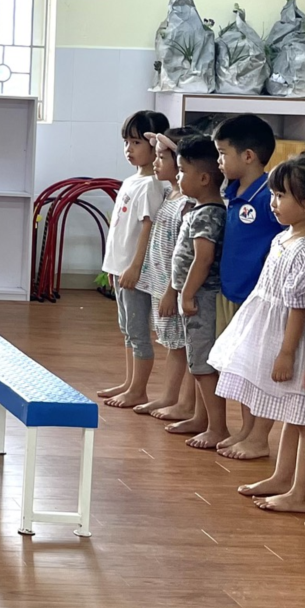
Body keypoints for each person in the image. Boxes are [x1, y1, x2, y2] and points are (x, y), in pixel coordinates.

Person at [210, 156, 305, 510]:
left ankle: (302, 494)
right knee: (292, 416)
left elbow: (299, 308)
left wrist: (287, 353)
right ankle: (282, 478)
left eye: (281, 196)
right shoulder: (283, 238)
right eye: (274, 195)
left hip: (292, 342)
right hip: (270, 331)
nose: (273, 203)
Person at [213, 113, 287, 461]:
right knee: (241, 367)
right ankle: (246, 429)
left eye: (222, 153)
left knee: (259, 370)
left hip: (260, 299)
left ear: (248, 156)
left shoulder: (269, 195)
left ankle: (260, 438)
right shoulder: (232, 189)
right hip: (232, 291)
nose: (218, 161)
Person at [95, 109, 167, 406]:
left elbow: (148, 228)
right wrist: (112, 267)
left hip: (133, 271)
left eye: (136, 142)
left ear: (155, 145)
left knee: (138, 332)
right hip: (120, 268)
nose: (129, 148)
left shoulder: (152, 185)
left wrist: (136, 267)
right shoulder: (131, 181)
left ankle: (139, 390)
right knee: (127, 329)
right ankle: (129, 382)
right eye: (126, 142)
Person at [163, 136, 228, 449]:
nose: (178, 177)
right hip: (196, 296)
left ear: (204, 178)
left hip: (202, 297)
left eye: (182, 171)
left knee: (203, 365)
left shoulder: (208, 214)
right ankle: (202, 420)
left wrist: (187, 293)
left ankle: (218, 427)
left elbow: (203, 258)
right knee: (198, 363)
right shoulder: (198, 210)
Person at [139, 129, 195, 419]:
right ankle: (170, 397)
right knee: (173, 344)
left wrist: (173, 290)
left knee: (183, 346)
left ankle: (182, 402)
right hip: (161, 283)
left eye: (163, 157)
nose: (156, 162)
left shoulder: (188, 202)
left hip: (175, 288)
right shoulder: (167, 193)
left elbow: (186, 253)